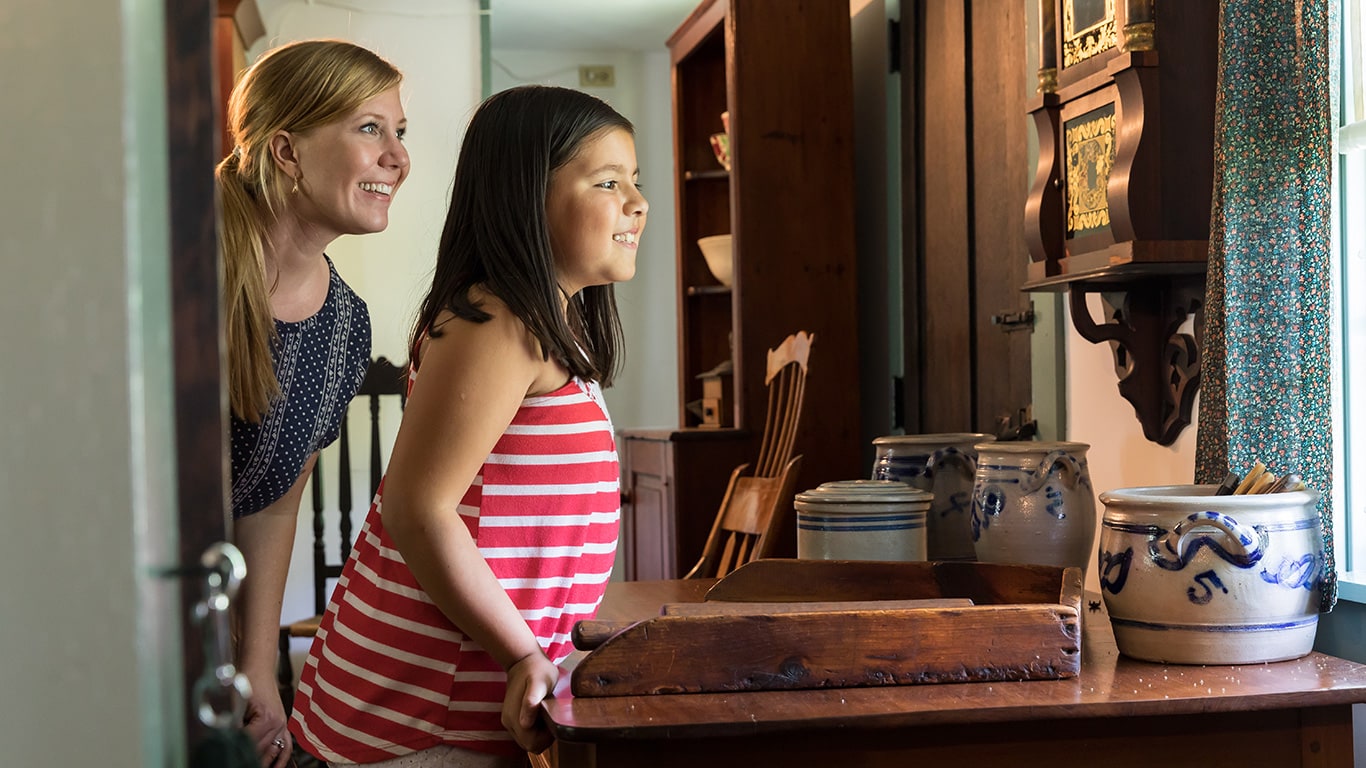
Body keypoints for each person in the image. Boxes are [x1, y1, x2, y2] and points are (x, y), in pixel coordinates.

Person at [289, 84, 647, 767]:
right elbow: (418, 508)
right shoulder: (501, 321)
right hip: (420, 719)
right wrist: (519, 653)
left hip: (469, 707)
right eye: (608, 181)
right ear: (525, 195)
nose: (638, 202)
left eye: (636, 181)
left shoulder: (549, 327)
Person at [216, 38, 410, 768]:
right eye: (370, 128)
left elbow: (271, 503)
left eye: (400, 133)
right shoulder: (178, 264)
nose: (398, 158)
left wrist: (260, 673)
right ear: (288, 151)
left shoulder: (343, 327)